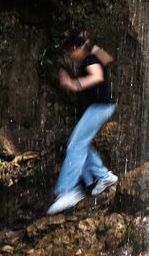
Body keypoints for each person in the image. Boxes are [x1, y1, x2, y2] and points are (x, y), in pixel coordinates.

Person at [47, 31, 119, 214]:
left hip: (100, 107)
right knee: (81, 143)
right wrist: (89, 43)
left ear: (76, 48)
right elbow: (109, 59)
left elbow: (97, 76)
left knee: (75, 144)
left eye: (71, 52)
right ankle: (103, 176)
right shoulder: (95, 55)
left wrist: (73, 84)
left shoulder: (89, 59)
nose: (71, 56)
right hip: (103, 106)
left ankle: (68, 191)